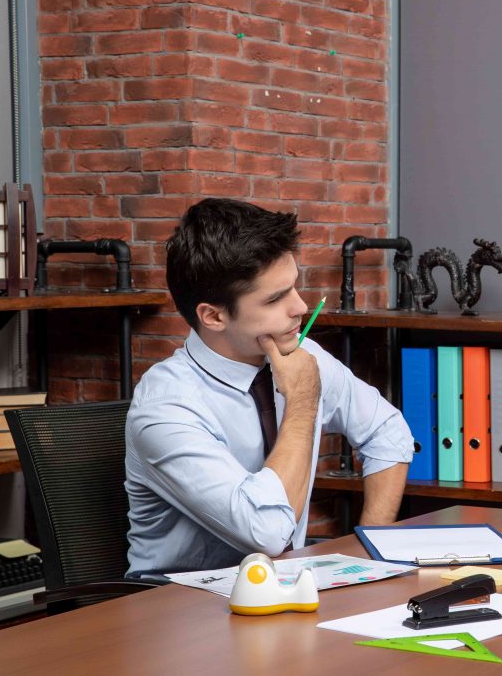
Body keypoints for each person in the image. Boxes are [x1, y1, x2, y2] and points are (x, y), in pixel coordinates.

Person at [125, 198, 413, 576]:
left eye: (294, 286)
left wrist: (370, 550)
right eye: (276, 298)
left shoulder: (300, 353)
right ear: (213, 316)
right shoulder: (165, 408)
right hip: (181, 607)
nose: (300, 307)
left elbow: (387, 431)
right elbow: (268, 534)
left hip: (282, 593)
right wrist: (303, 401)